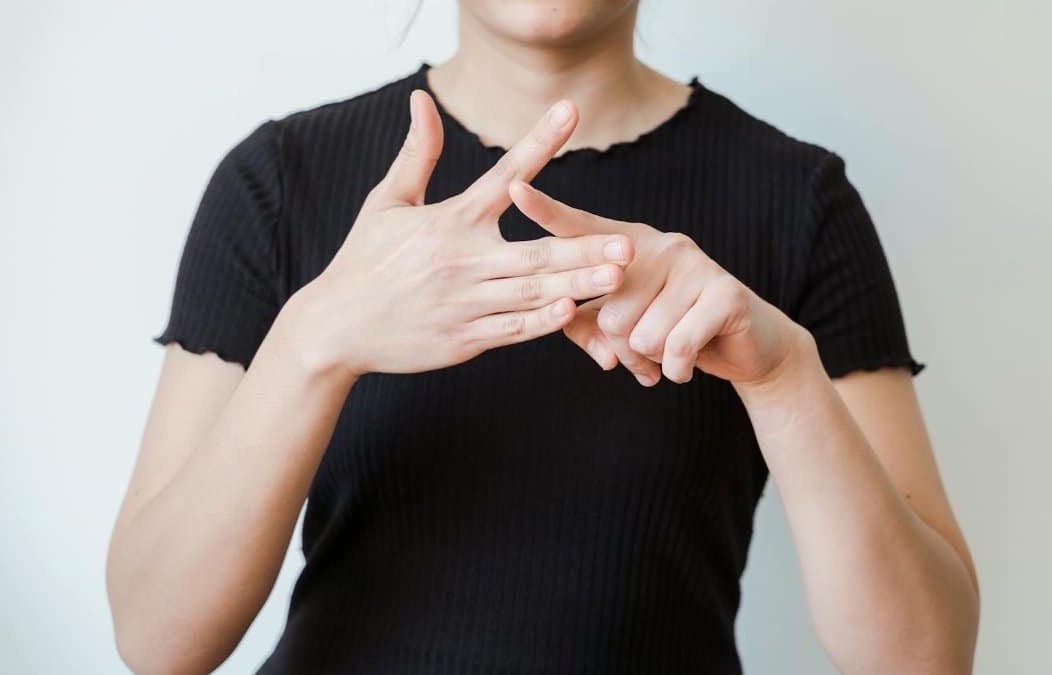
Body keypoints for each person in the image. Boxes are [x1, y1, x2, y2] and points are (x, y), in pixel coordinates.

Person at [106, 2, 980, 673]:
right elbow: (157, 635)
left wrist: (785, 375)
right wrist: (314, 341)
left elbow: (923, 655)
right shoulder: (278, 184)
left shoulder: (800, 205)